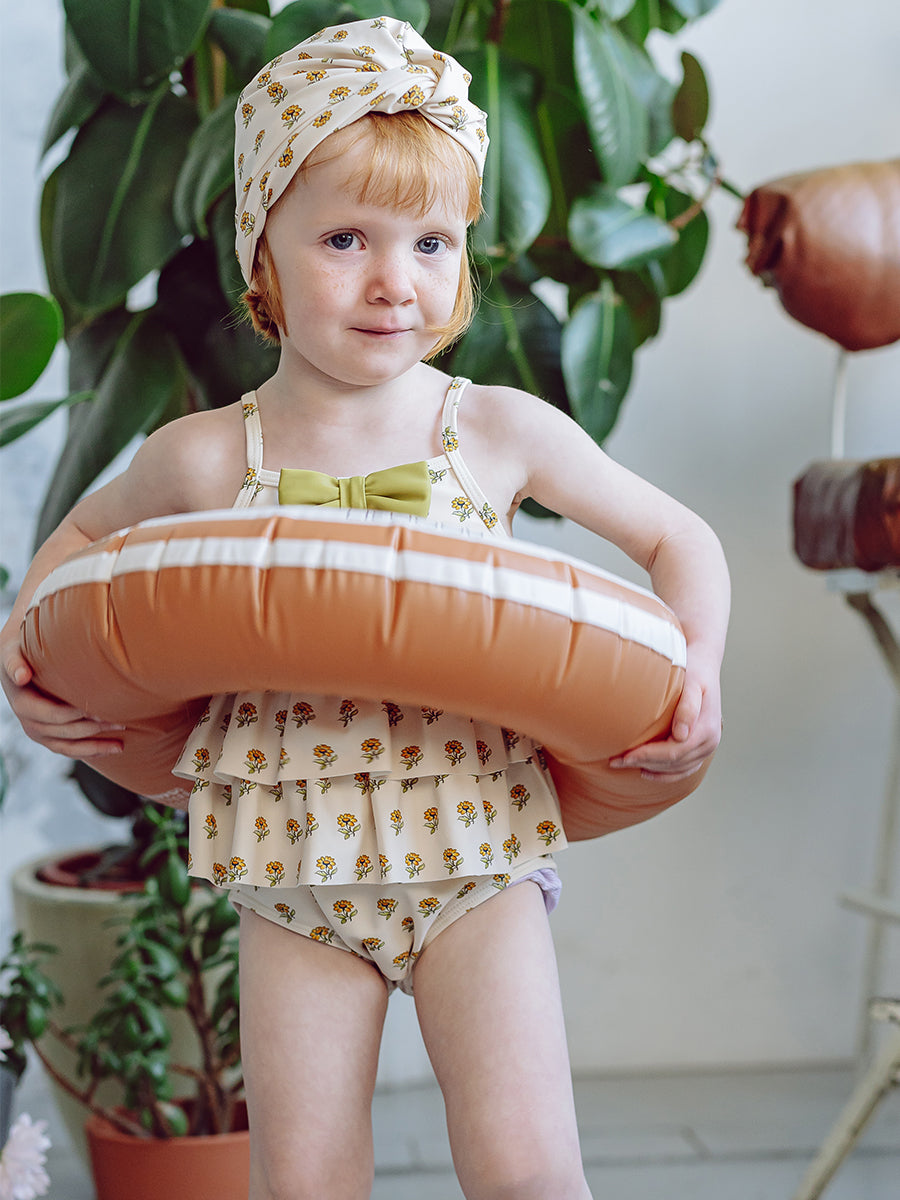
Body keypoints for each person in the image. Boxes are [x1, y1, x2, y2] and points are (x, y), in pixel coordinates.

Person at [0, 17, 729, 1200]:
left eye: (432, 241)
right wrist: (28, 665)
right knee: (306, 1181)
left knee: (528, 1171)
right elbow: (74, 547)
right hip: (291, 865)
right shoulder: (205, 454)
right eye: (346, 239)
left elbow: (678, 538)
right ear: (262, 257)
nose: (397, 281)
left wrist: (699, 665)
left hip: (475, 853)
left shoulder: (493, 430)